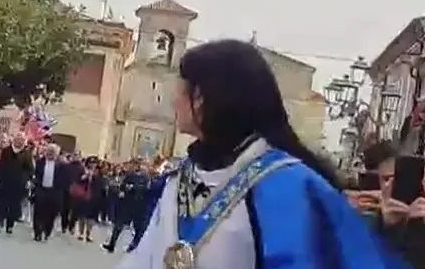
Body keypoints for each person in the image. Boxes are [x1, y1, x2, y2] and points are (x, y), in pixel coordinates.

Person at [117, 39, 405, 269]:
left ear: (202, 97)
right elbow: (144, 257)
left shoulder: (287, 185)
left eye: (181, 89)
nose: (173, 100)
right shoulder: (178, 180)